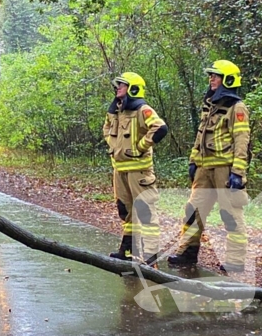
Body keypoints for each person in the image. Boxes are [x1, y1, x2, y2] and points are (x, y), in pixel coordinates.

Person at [168, 60, 251, 274]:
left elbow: (242, 141)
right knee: (192, 212)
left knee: (231, 215)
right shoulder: (210, 106)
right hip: (204, 169)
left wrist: (237, 172)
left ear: (228, 80)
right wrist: (193, 162)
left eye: (216, 76)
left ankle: (236, 260)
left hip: (224, 169)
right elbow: (200, 137)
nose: (211, 79)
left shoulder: (237, 108)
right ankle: (188, 252)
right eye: (211, 76)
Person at [103, 72, 168, 264]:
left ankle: (151, 255)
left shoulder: (142, 109)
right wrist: (114, 145)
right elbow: (106, 128)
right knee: (126, 211)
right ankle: (127, 250)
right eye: (117, 86)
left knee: (146, 212)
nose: (117, 88)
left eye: (122, 85)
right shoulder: (115, 110)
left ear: (132, 88)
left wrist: (140, 146)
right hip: (120, 169)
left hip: (139, 171)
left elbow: (160, 128)